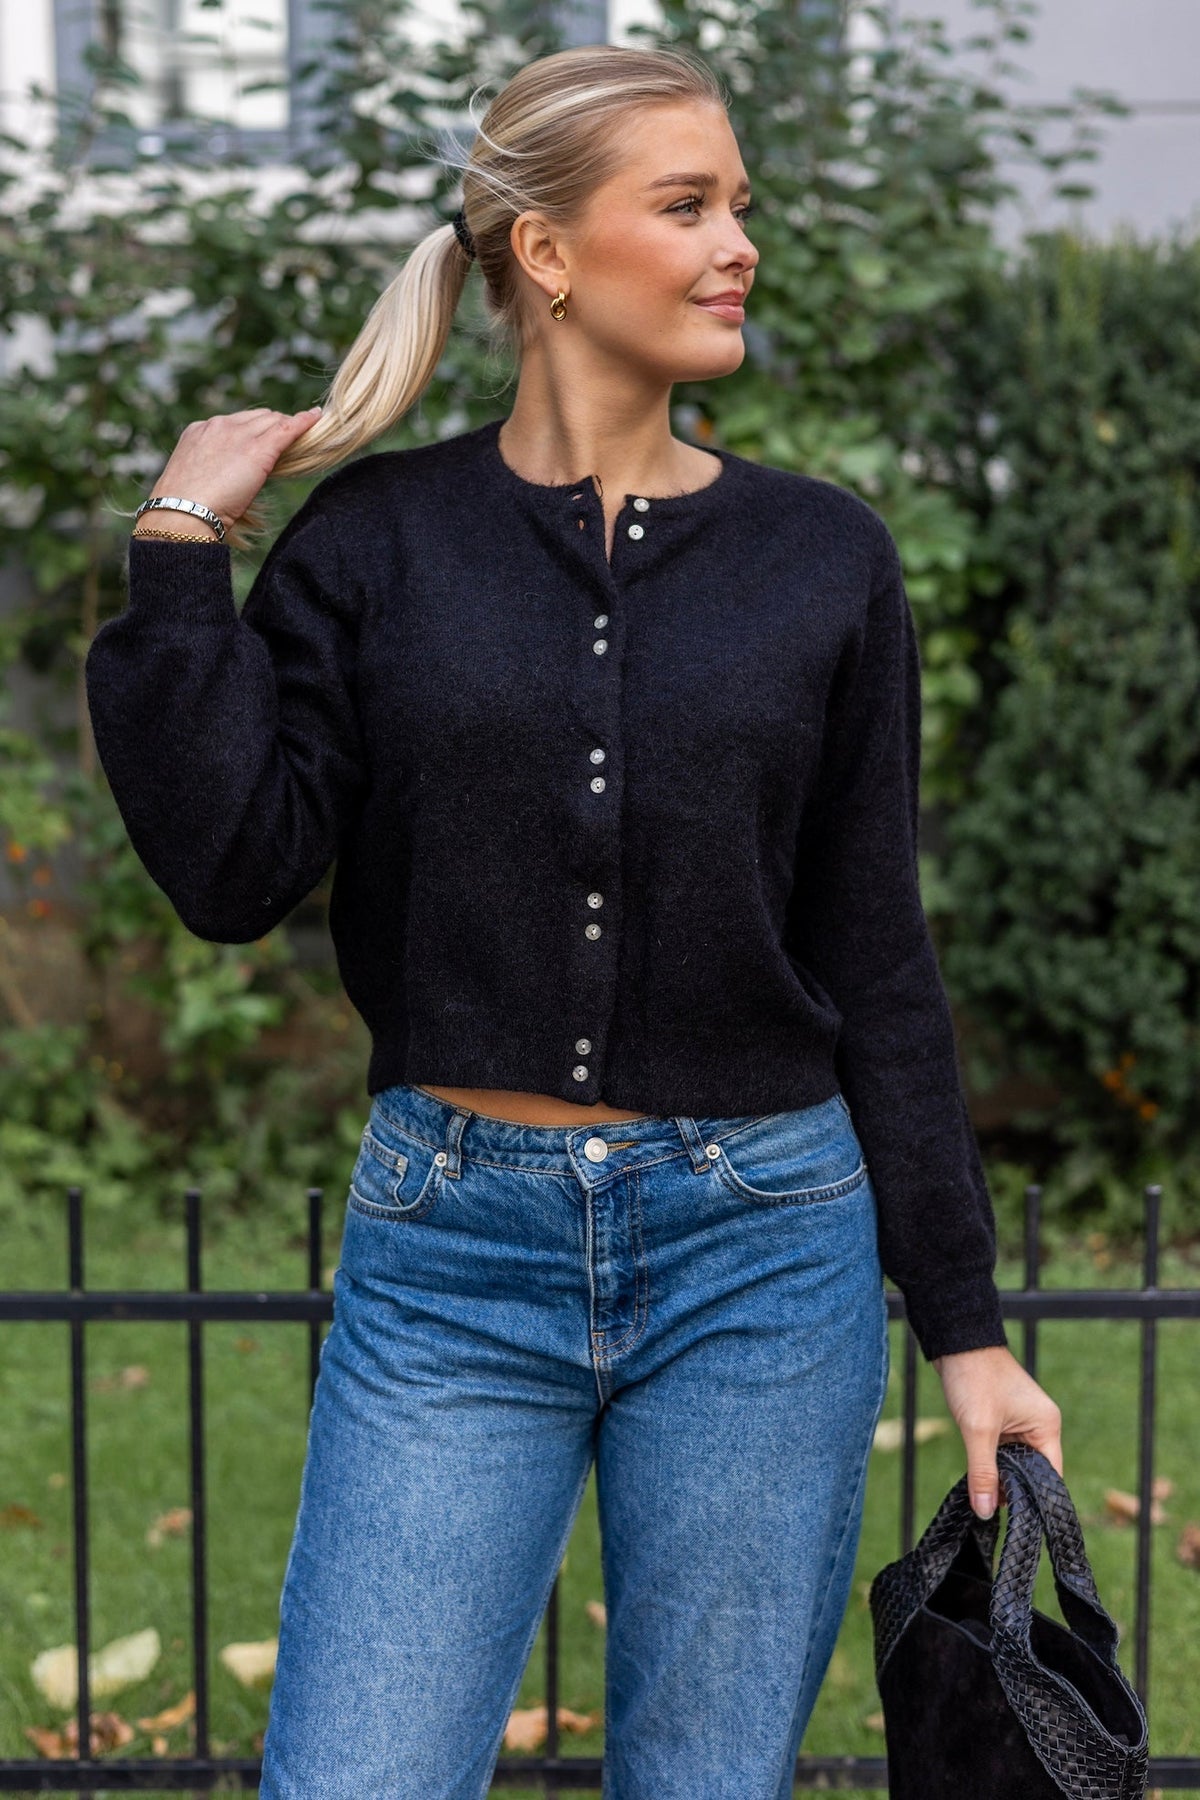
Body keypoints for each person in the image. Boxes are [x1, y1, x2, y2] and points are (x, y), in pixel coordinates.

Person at [84, 40, 1063, 1800]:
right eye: (686, 205)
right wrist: (179, 554)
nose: (738, 244)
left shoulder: (824, 559)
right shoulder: (375, 544)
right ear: (545, 252)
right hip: (453, 1254)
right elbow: (232, 872)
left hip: (766, 1255)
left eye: (739, 206)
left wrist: (967, 1328)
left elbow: (874, 955)